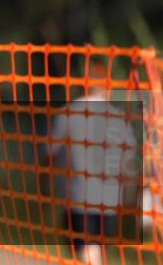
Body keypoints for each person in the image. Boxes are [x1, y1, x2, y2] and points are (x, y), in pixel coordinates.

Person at [45, 57, 140, 265]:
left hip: (77, 198)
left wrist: (47, 188)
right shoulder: (117, 117)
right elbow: (129, 163)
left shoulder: (67, 113)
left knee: (86, 254)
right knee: (96, 254)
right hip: (108, 200)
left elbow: (50, 155)